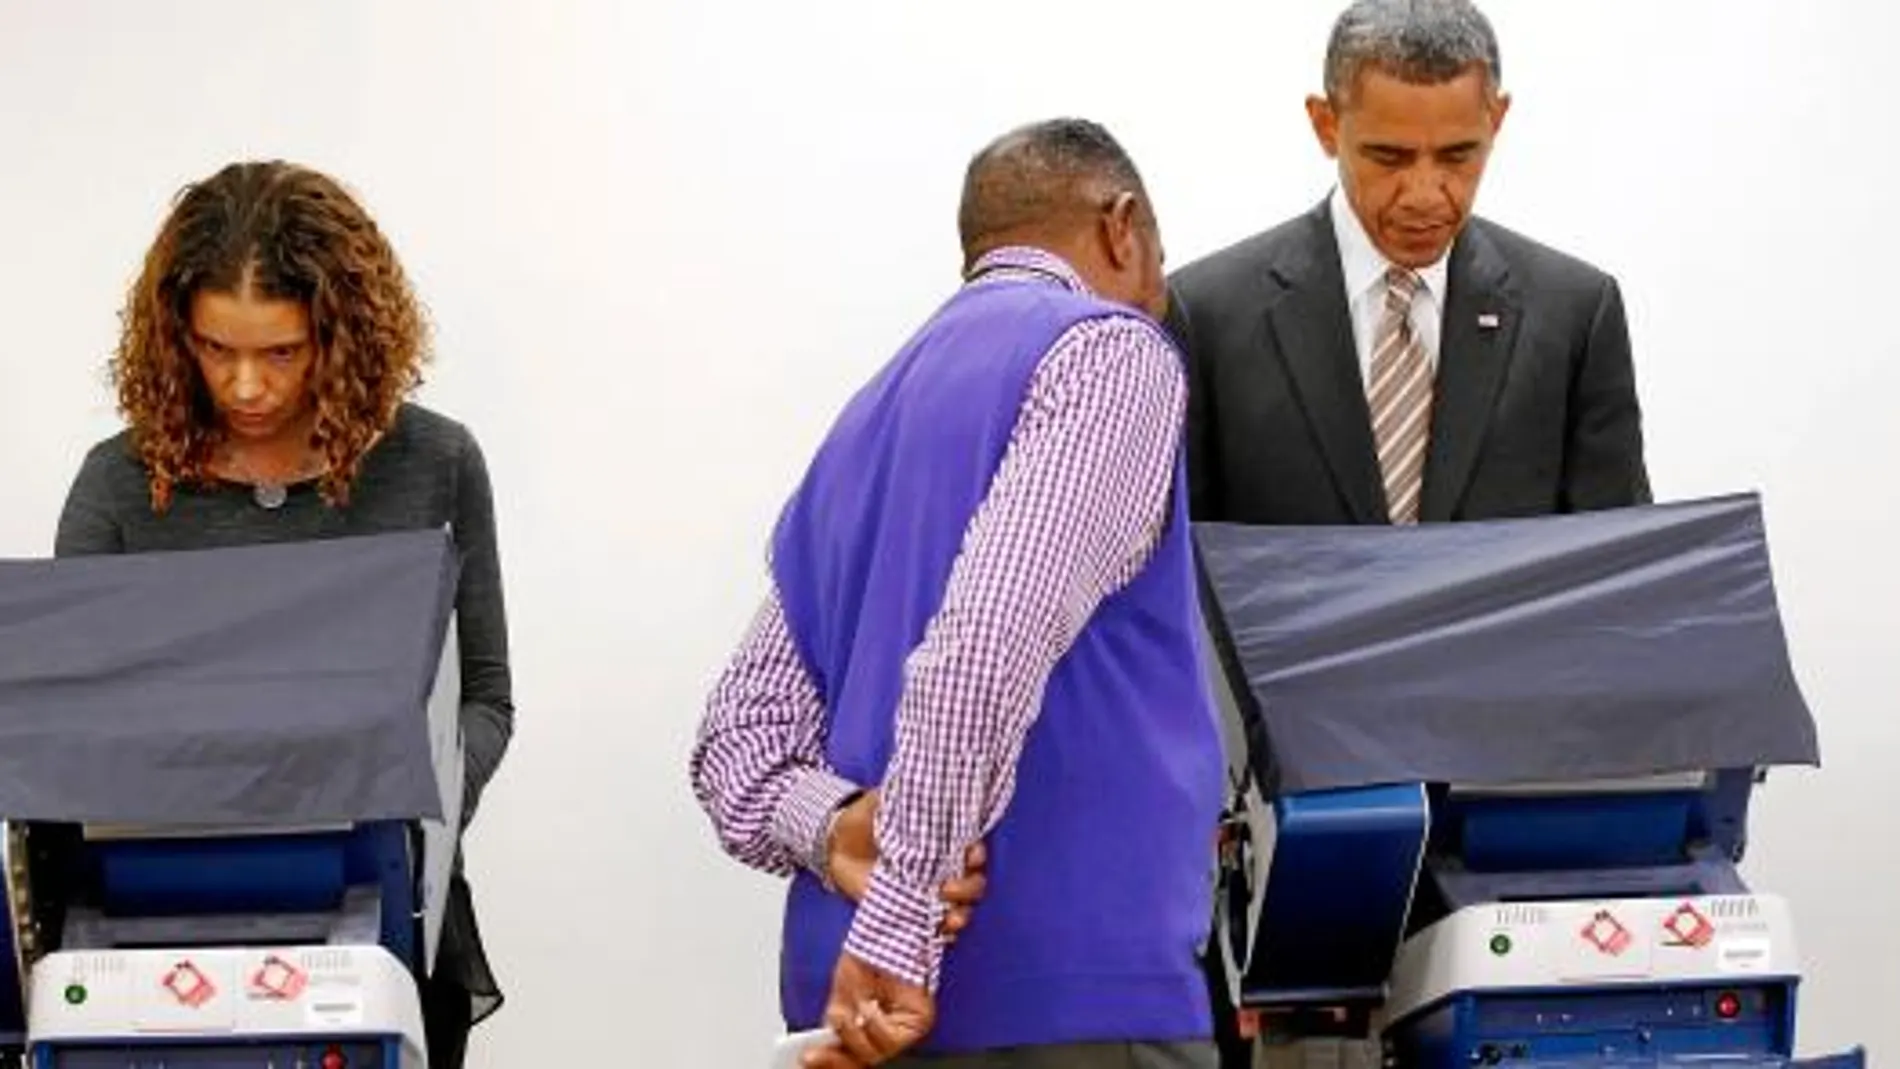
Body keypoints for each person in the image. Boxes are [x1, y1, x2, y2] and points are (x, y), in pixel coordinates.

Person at [1163, 1, 1651, 1063]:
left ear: (1500, 121)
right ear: (1320, 120)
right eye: (1386, 154)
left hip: (1508, 839)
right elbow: (1178, 593)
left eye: (1458, 155)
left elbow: (1615, 590)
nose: (1424, 193)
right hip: (1293, 841)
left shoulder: (1574, 313)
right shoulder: (1208, 310)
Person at [689, 118, 1225, 1069]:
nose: (1159, 295)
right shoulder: (1111, 356)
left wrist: (837, 825)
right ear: (1122, 227)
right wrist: (901, 922)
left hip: (849, 1020)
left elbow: (737, 743)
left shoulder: (864, 418)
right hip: (1065, 1002)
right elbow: (983, 644)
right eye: (1159, 266)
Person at [52, 160, 513, 1069]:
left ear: (344, 337)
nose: (247, 386)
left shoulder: (436, 464)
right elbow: (72, 727)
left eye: (283, 352)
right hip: (151, 941)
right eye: (216, 349)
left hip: (385, 936)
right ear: (173, 335)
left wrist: (415, 807)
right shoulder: (117, 484)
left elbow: (486, 697)